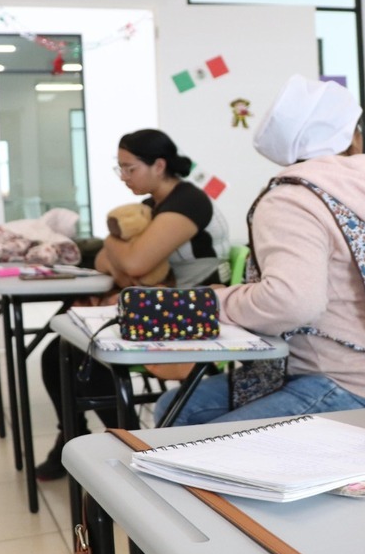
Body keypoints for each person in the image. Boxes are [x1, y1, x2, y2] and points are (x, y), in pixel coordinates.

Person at [155, 74, 365, 425]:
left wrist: (219, 301)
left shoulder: (293, 198)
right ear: (353, 137)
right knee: (178, 407)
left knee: (202, 438)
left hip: (341, 381)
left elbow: (291, 301)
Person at [35, 128, 229, 480]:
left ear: (159, 165)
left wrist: (114, 240)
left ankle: (125, 445)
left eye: (130, 169)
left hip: (197, 308)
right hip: (164, 304)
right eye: (119, 169)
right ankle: (78, 434)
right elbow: (107, 267)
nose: (124, 177)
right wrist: (123, 255)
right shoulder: (148, 208)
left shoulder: (188, 201)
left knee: (85, 352)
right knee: (59, 352)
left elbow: (135, 265)